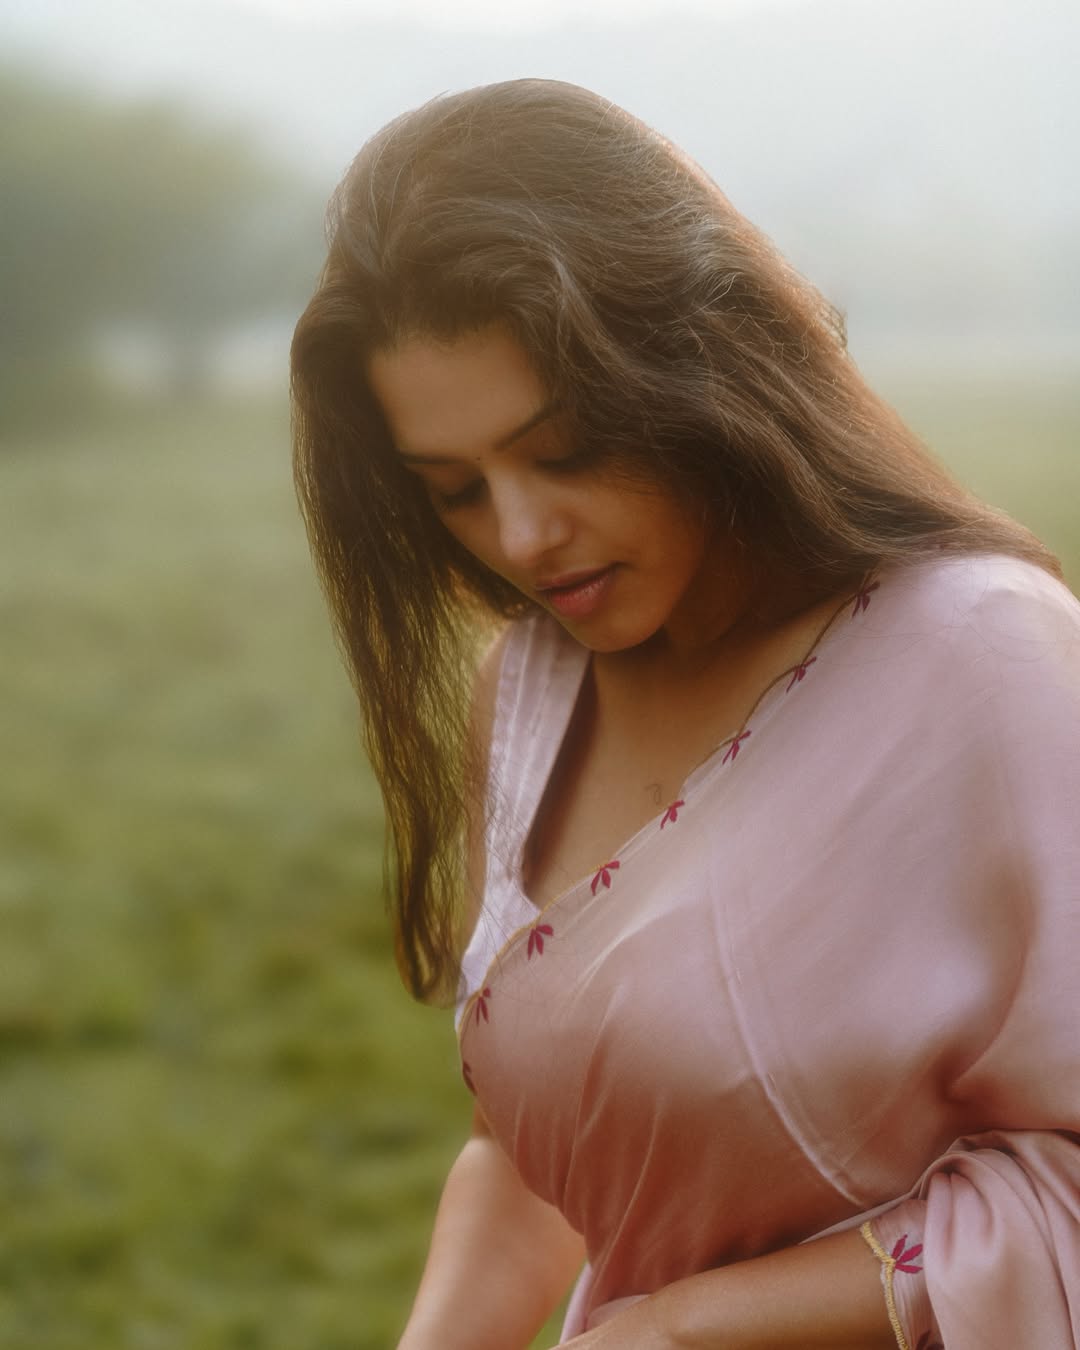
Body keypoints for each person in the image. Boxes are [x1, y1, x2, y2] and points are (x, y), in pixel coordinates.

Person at [289, 79, 1080, 1350]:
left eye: (562, 450)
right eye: (455, 491)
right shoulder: (533, 692)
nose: (523, 536)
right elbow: (545, 1148)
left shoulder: (980, 657)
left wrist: (683, 1328)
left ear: (699, 368)